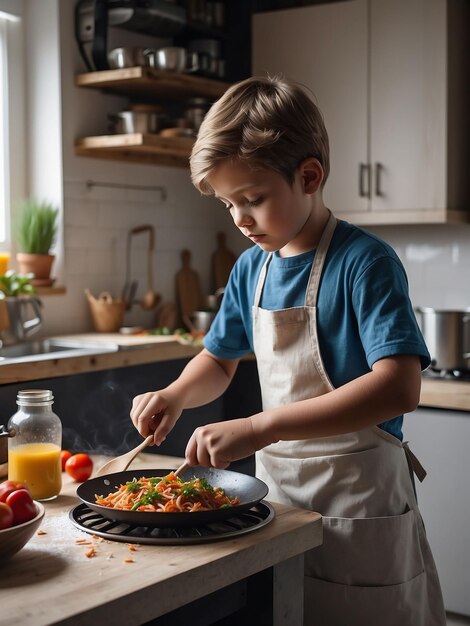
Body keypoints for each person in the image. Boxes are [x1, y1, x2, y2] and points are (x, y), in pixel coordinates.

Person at [130, 76, 446, 625]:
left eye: (252, 199)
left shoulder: (364, 263)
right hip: (281, 497)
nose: (240, 220)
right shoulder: (251, 269)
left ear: (309, 176)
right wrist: (178, 393)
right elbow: (219, 358)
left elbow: (399, 386)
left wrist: (260, 427)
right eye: (229, 204)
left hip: (361, 499)